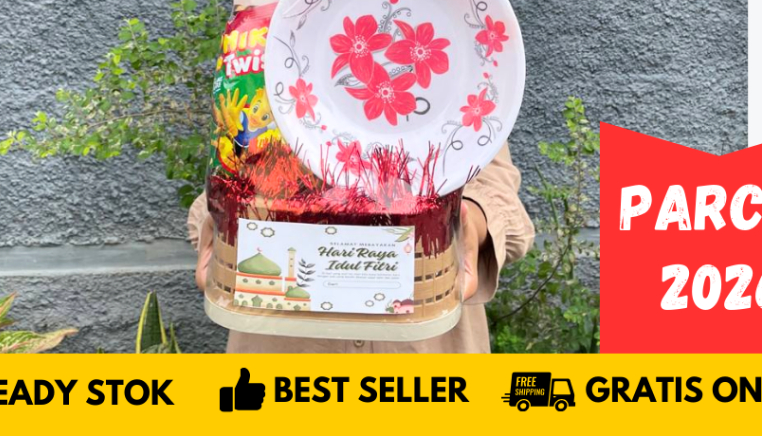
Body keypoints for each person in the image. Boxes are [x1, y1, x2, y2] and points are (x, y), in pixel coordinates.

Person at [188, 143, 534, 353]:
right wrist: (221, 218)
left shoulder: (456, 57)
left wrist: (470, 221)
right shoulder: (267, 56)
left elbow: (496, 189)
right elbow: (228, 178)